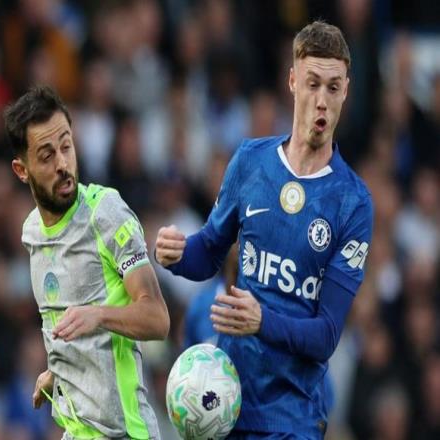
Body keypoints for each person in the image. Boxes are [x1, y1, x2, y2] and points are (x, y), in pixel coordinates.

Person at [155, 21, 373, 439]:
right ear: (292, 81)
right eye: (312, 83)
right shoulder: (250, 161)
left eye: (333, 87)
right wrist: (179, 253)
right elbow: (209, 251)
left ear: (346, 90)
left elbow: (327, 334)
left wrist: (262, 321)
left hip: (292, 419)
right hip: (229, 405)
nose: (322, 100)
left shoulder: (353, 202)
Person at [4, 85, 169, 440]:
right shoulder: (32, 233)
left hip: (124, 433)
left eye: (66, 146)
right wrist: (59, 372)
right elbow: (69, 328)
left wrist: (98, 315)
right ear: (22, 170)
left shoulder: (105, 214)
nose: (62, 164)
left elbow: (158, 318)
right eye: (46, 156)